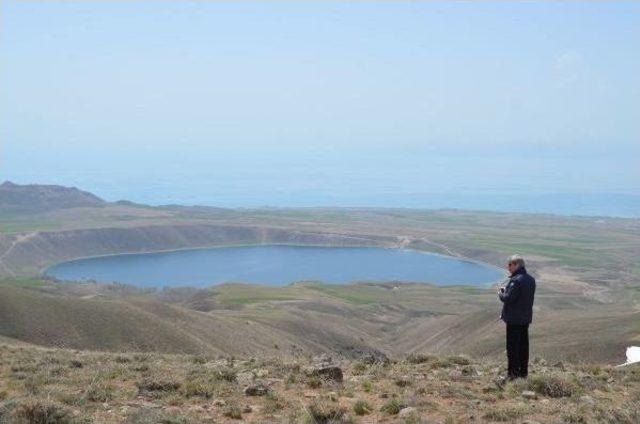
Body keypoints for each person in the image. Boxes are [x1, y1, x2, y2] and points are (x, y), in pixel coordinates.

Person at [498, 254, 536, 380]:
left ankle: (512, 375)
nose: (508, 267)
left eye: (510, 264)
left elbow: (509, 298)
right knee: (523, 347)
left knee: (513, 348)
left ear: (517, 265)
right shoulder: (531, 280)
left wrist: (501, 293)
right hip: (525, 319)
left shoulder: (516, 280)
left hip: (514, 320)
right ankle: (523, 373)